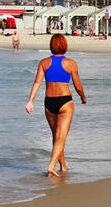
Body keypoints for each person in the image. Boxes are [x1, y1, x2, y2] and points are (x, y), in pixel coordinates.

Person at [25, 34, 87, 177]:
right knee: (61, 136)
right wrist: (83, 97)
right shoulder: (70, 63)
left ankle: (62, 165)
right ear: (64, 45)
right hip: (65, 101)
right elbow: (78, 86)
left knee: (56, 136)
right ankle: (52, 165)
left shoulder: (44, 62)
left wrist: (30, 101)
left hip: (49, 103)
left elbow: (37, 83)